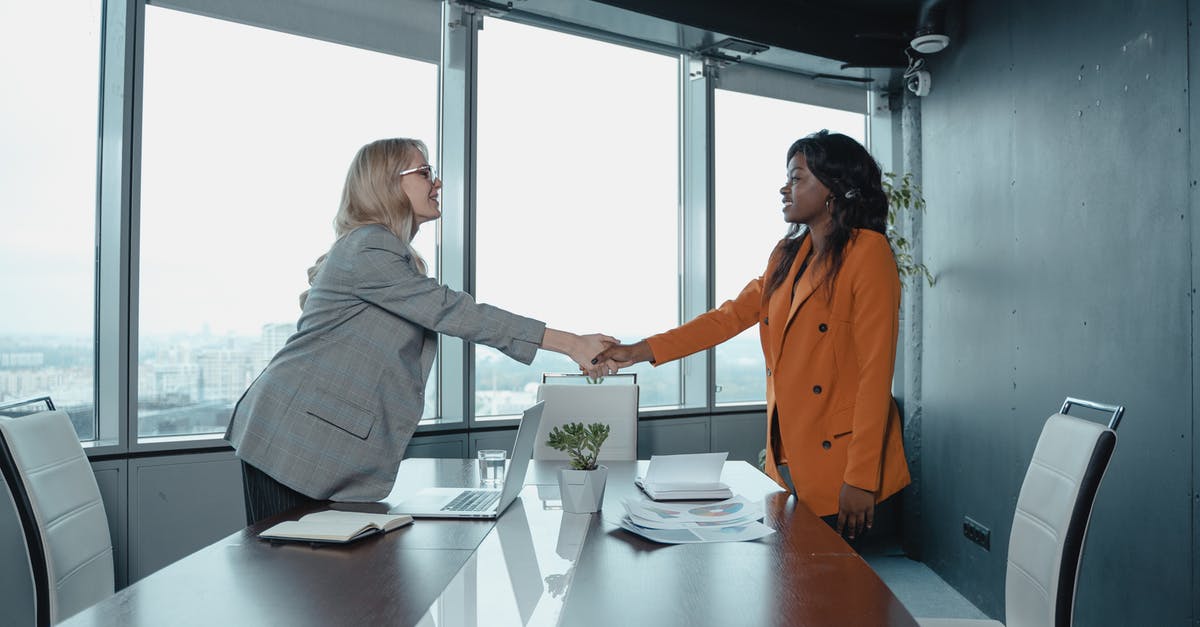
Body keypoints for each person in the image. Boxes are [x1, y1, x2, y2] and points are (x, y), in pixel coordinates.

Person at [227, 137, 615, 525]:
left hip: (312, 442)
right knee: (291, 572)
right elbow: (455, 311)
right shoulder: (369, 247)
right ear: (388, 183)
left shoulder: (386, 252)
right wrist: (570, 343)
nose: (437, 183)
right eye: (425, 172)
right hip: (291, 441)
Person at [595, 130, 910, 541]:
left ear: (835, 188)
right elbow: (726, 318)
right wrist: (639, 351)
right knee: (793, 591)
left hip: (847, 463)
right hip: (788, 456)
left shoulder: (868, 253)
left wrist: (862, 478)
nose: (785, 189)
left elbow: (875, 374)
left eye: (797, 178)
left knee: (839, 597)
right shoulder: (787, 254)